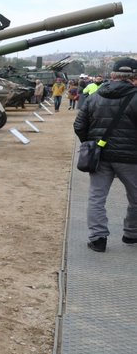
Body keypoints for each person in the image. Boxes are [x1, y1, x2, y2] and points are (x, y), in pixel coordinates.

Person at [73, 59, 137, 253]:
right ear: (134, 77)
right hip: (131, 158)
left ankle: (98, 238)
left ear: (113, 75)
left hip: (100, 156)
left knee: (96, 198)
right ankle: (131, 233)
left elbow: (79, 126)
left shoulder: (95, 96)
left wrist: (92, 143)